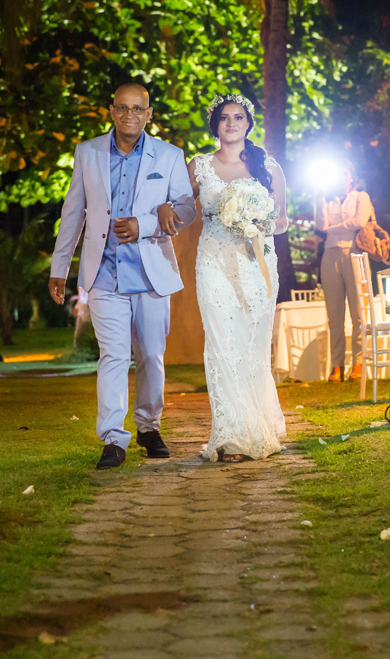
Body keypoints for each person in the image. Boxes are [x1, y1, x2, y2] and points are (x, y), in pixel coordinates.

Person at [48, 82, 197, 470]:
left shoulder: (169, 155)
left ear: (149, 114)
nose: (130, 115)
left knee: (150, 355)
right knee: (113, 355)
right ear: (112, 111)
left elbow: (186, 209)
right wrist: (59, 268)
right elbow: (73, 213)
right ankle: (113, 438)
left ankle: (149, 427)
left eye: (138, 109)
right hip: (104, 273)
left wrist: (146, 223)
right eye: (122, 108)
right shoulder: (88, 152)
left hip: (152, 273)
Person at [167, 93, 288, 462]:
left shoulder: (268, 166)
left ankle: (258, 425)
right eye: (224, 118)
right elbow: (183, 209)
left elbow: (283, 220)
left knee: (252, 346)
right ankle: (231, 435)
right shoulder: (199, 166)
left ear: (248, 124)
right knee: (222, 344)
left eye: (238, 117)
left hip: (257, 263)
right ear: (215, 125)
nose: (231, 123)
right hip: (214, 262)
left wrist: (260, 223)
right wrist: (165, 211)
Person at [315, 162, 370, 382]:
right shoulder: (327, 199)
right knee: (334, 316)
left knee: (358, 314)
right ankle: (337, 365)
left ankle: (358, 363)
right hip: (330, 255)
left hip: (355, 254)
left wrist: (332, 229)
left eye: (344, 173)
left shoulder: (360, 197)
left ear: (351, 177)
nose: (340, 177)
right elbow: (321, 225)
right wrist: (319, 198)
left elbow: (359, 221)